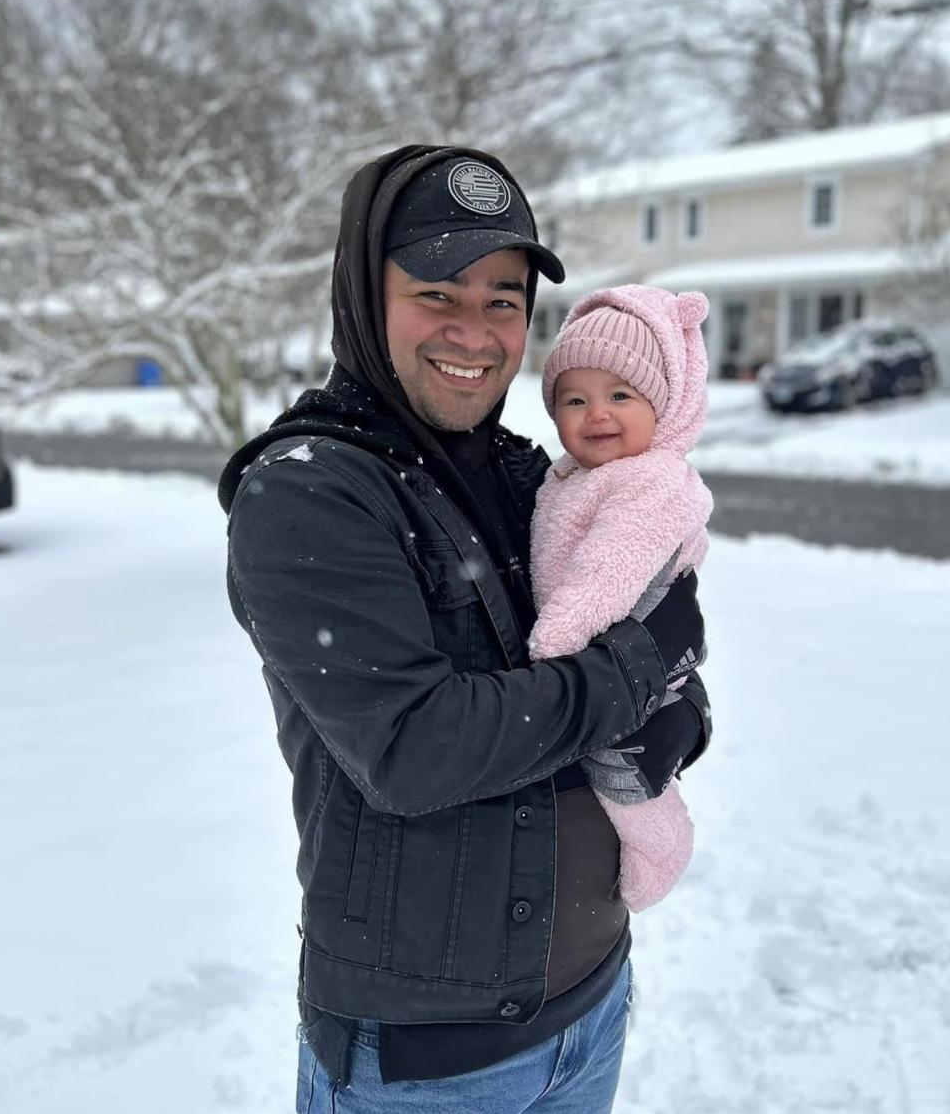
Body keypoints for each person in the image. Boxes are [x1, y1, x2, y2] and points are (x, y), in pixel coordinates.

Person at [218, 145, 712, 1114]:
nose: (474, 331)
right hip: (427, 1063)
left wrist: (680, 711)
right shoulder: (312, 490)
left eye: (502, 299)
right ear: (364, 294)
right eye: (436, 292)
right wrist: (636, 670)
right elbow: (415, 747)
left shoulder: (535, 476)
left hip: (590, 1004)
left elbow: (651, 629)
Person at [529, 285, 714, 914]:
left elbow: (610, 569)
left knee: (624, 771)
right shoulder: (571, 474)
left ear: (661, 406)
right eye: (575, 400)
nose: (597, 415)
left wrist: (558, 638)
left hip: (619, 649)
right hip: (597, 661)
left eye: (620, 396)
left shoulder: (652, 480)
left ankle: (661, 848)